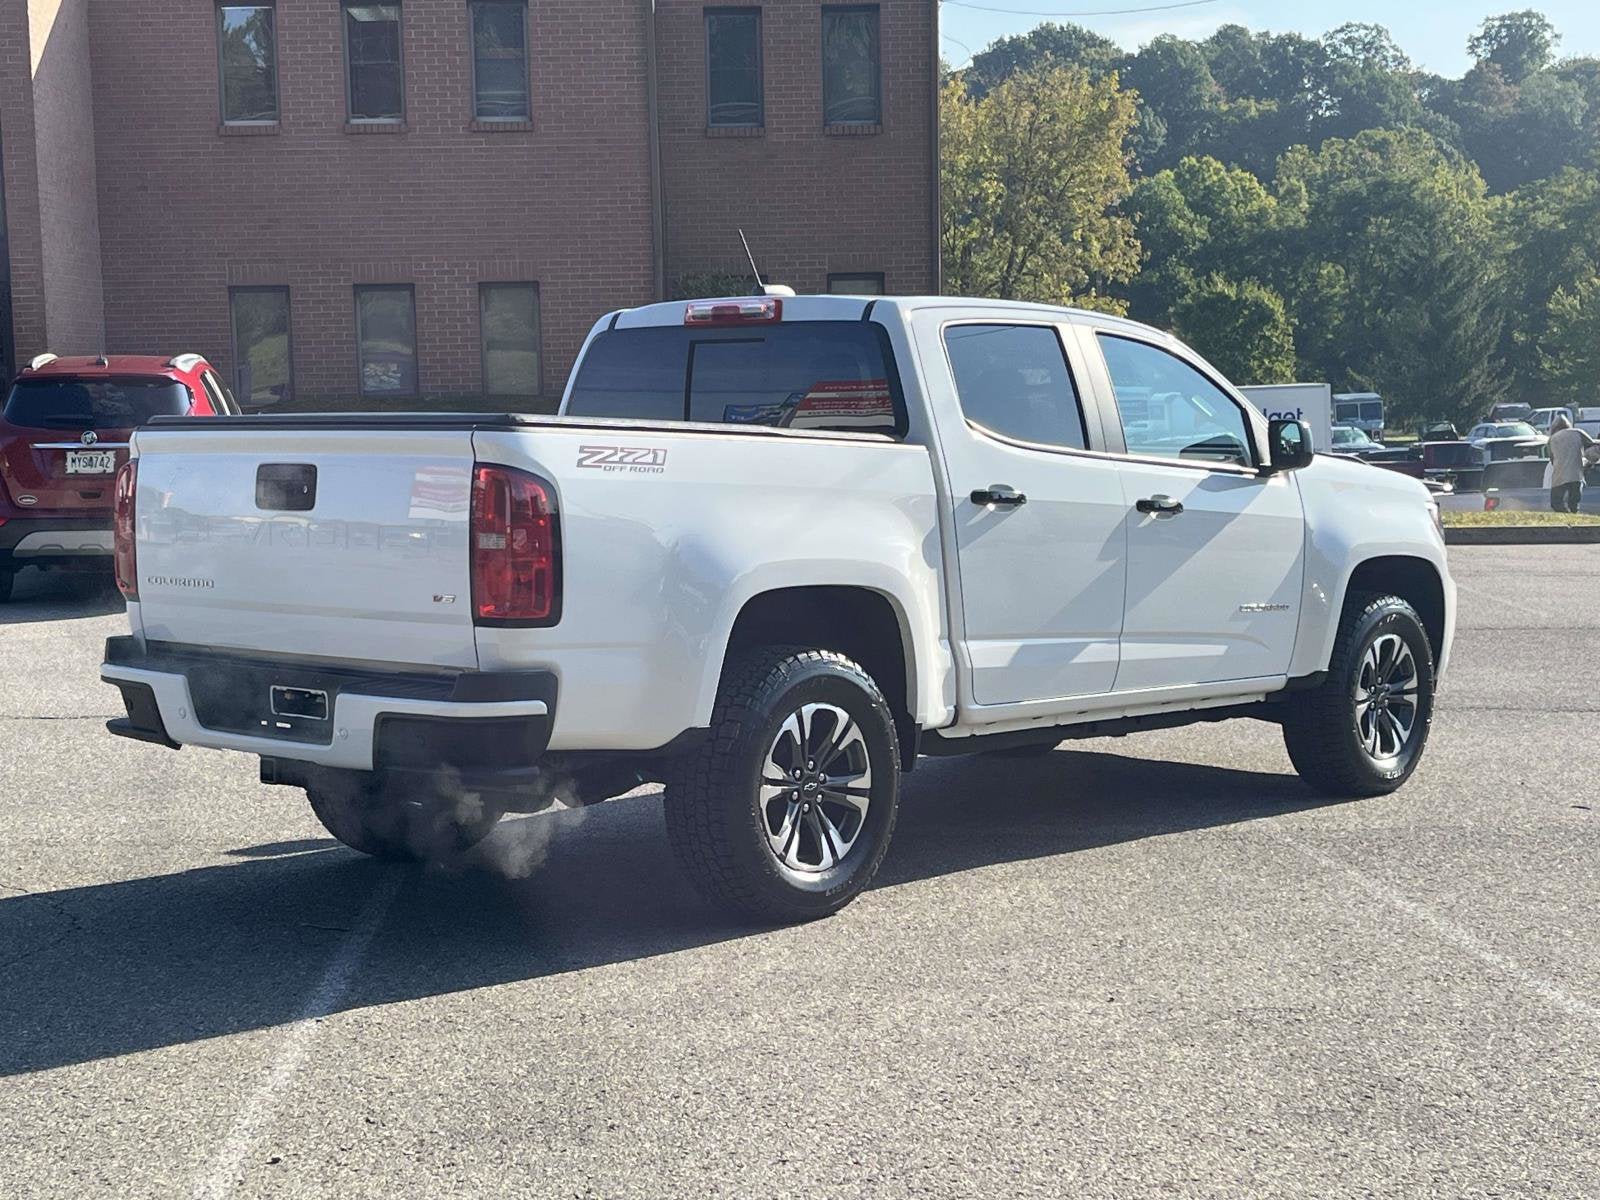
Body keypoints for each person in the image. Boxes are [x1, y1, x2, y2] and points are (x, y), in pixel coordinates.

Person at [1546, 413, 1600, 514]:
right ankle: (1572, 516)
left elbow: (1552, 459)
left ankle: (1566, 516)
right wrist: (1589, 462)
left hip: (1559, 475)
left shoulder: (1552, 439)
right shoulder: (1578, 432)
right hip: (1576, 475)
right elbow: (1592, 446)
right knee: (1574, 504)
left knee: (1556, 503)